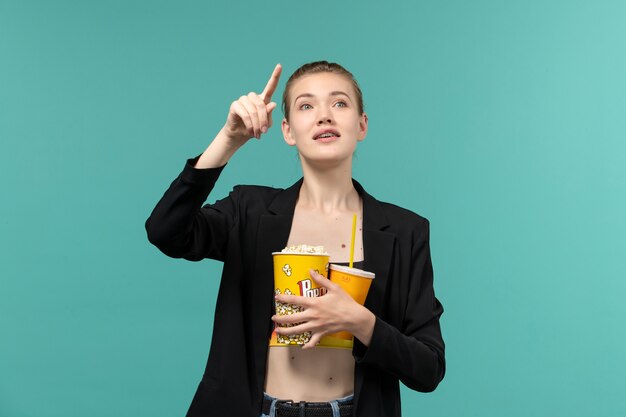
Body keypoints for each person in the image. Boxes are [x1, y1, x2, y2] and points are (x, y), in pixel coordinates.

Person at [145, 61, 445, 417]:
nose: (324, 116)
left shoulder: (404, 231)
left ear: (361, 125)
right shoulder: (250, 211)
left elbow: (429, 369)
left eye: (340, 103)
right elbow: (165, 231)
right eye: (306, 105)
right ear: (287, 131)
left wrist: (360, 321)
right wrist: (228, 140)